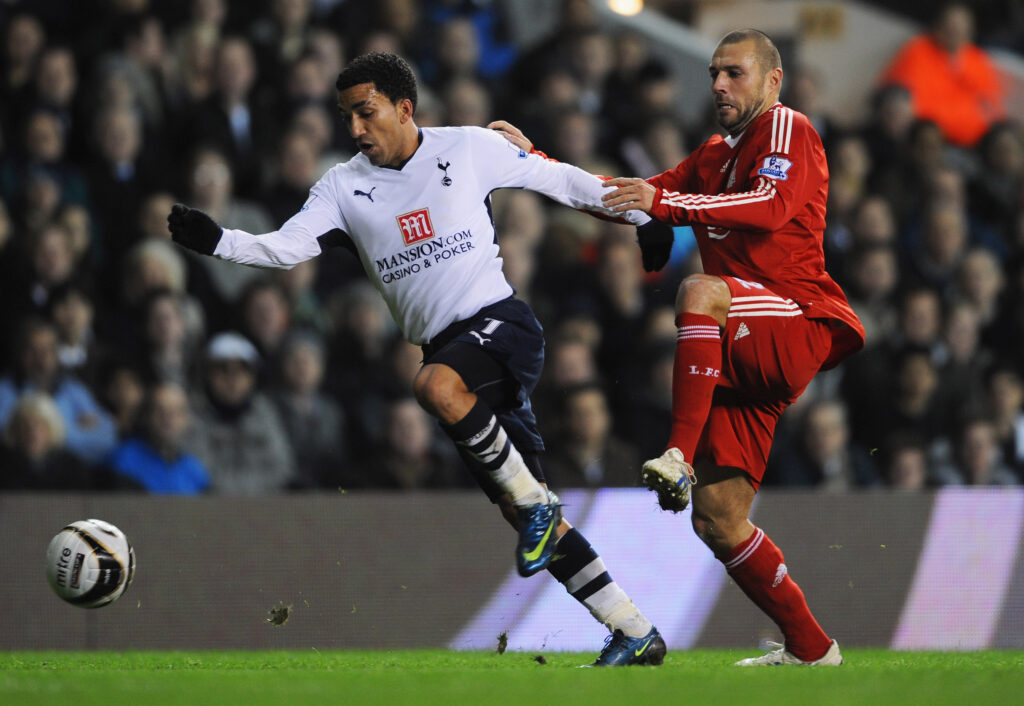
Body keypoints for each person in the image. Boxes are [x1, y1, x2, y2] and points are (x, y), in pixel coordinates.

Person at [166, 51, 665, 666]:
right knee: (519, 505)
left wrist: (646, 214)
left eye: (365, 113)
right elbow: (285, 248)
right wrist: (218, 240)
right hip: (449, 351)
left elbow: (560, 179)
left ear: (405, 108)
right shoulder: (342, 187)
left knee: (433, 388)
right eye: (346, 115)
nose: (354, 129)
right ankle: (634, 629)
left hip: (501, 326)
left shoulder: (468, 147)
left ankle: (540, 506)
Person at [493, 29, 864, 666]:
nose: (719, 83)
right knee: (719, 519)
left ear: (772, 81)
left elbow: (771, 207)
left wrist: (669, 203)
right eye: (715, 73)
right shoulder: (714, 156)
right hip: (742, 347)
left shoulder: (786, 129)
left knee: (699, 289)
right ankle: (812, 647)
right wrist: (535, 163)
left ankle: (677, 453)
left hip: (795, 319)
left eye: (736, 73)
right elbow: (631, 201)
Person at [878, 2, 1005, 148]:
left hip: (967, 145)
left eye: (961, 29)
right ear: (937, 26)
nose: (955, 33)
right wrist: (960, 114)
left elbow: (990, 112)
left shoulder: (978, 60)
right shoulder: (918, 51)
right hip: (920, 140)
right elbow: (912, 106)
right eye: (950, 27)